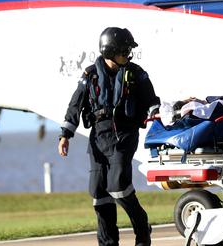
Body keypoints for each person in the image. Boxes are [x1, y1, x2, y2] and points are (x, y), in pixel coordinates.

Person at [58, 27, 160, 246]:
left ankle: (141, 225)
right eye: (124, 51)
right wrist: (65, 134)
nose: (128, 55)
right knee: (99, 192)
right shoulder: (90, 75)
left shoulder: (136, 74)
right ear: (109, 50)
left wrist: (155, 112)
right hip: (98, 139)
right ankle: (108, 243)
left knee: (118, 186)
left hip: (124, 136)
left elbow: (152, 100)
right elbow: (76, 104)